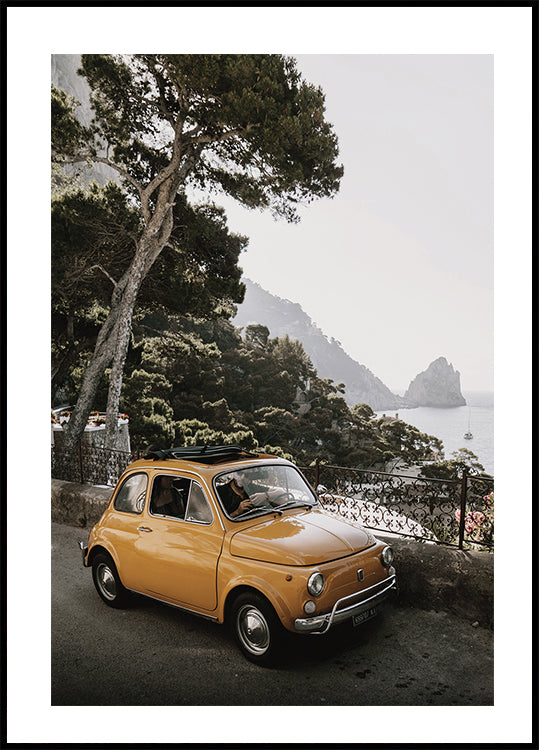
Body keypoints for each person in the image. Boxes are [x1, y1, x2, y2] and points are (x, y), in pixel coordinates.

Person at [217, 470, 286, 518]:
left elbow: (282, 492)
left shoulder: (253, 487)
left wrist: (266, 495)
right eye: (240, 473)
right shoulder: (220, 491)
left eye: (247, 475)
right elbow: (218, 522)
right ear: (234, 473)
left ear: (251, 477)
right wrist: (237, 512)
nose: (242, 478)